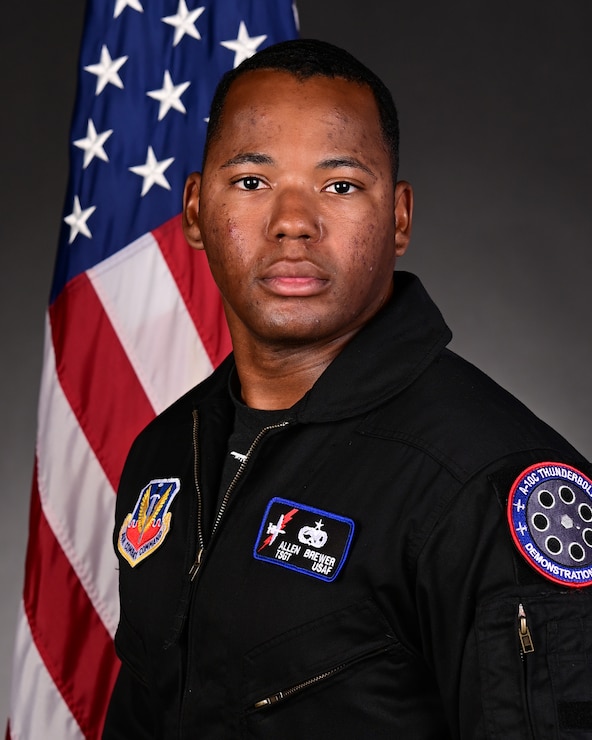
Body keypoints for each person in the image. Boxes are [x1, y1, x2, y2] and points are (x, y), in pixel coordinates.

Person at [103, 39, 592, 738]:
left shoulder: (485, 485)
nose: (293, 222)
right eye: (251, 181)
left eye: (340, 185)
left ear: (398, 217)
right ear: (193, 210)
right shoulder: (164, 454)